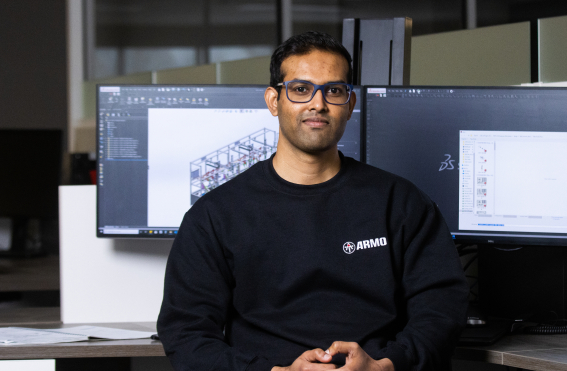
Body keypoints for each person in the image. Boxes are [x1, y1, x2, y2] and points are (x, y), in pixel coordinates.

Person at [157, 31, 468, 371]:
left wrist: (386, 365)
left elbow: (442, 310)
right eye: (301, 89)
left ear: (349, 105)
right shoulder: (215, 216)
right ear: (274, 101)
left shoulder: (402, 203)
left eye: (333, 90)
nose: (317, 104)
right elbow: (186, 334)